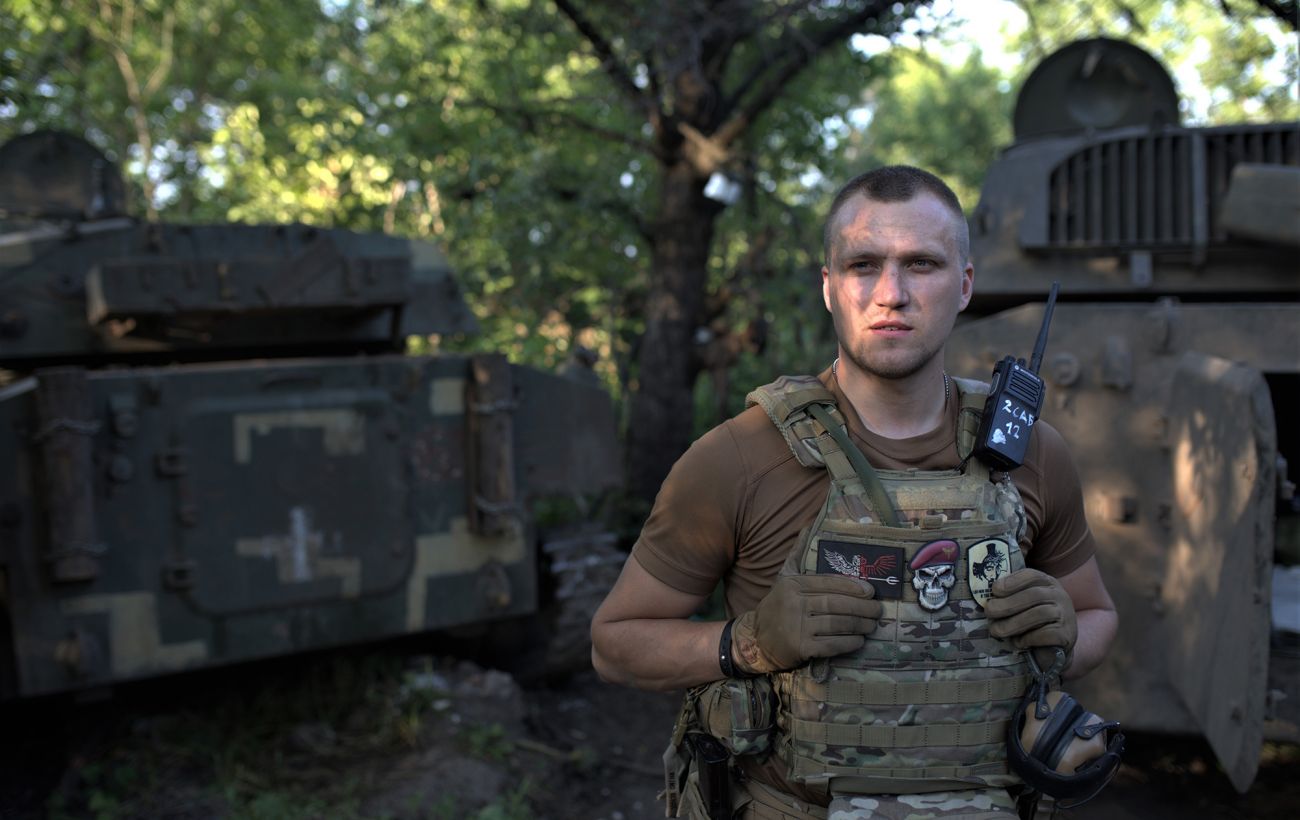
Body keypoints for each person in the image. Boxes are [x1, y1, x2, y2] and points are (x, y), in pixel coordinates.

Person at [590, 166, 1118, 820]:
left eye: (921, 264)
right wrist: (748, 642)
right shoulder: (738, 458)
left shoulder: (1032, 453)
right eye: (863, 265)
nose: (891, 294)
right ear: (829, 287)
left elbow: (1097, 616)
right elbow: (614, 644)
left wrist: (1066, 634)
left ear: (964, 286)